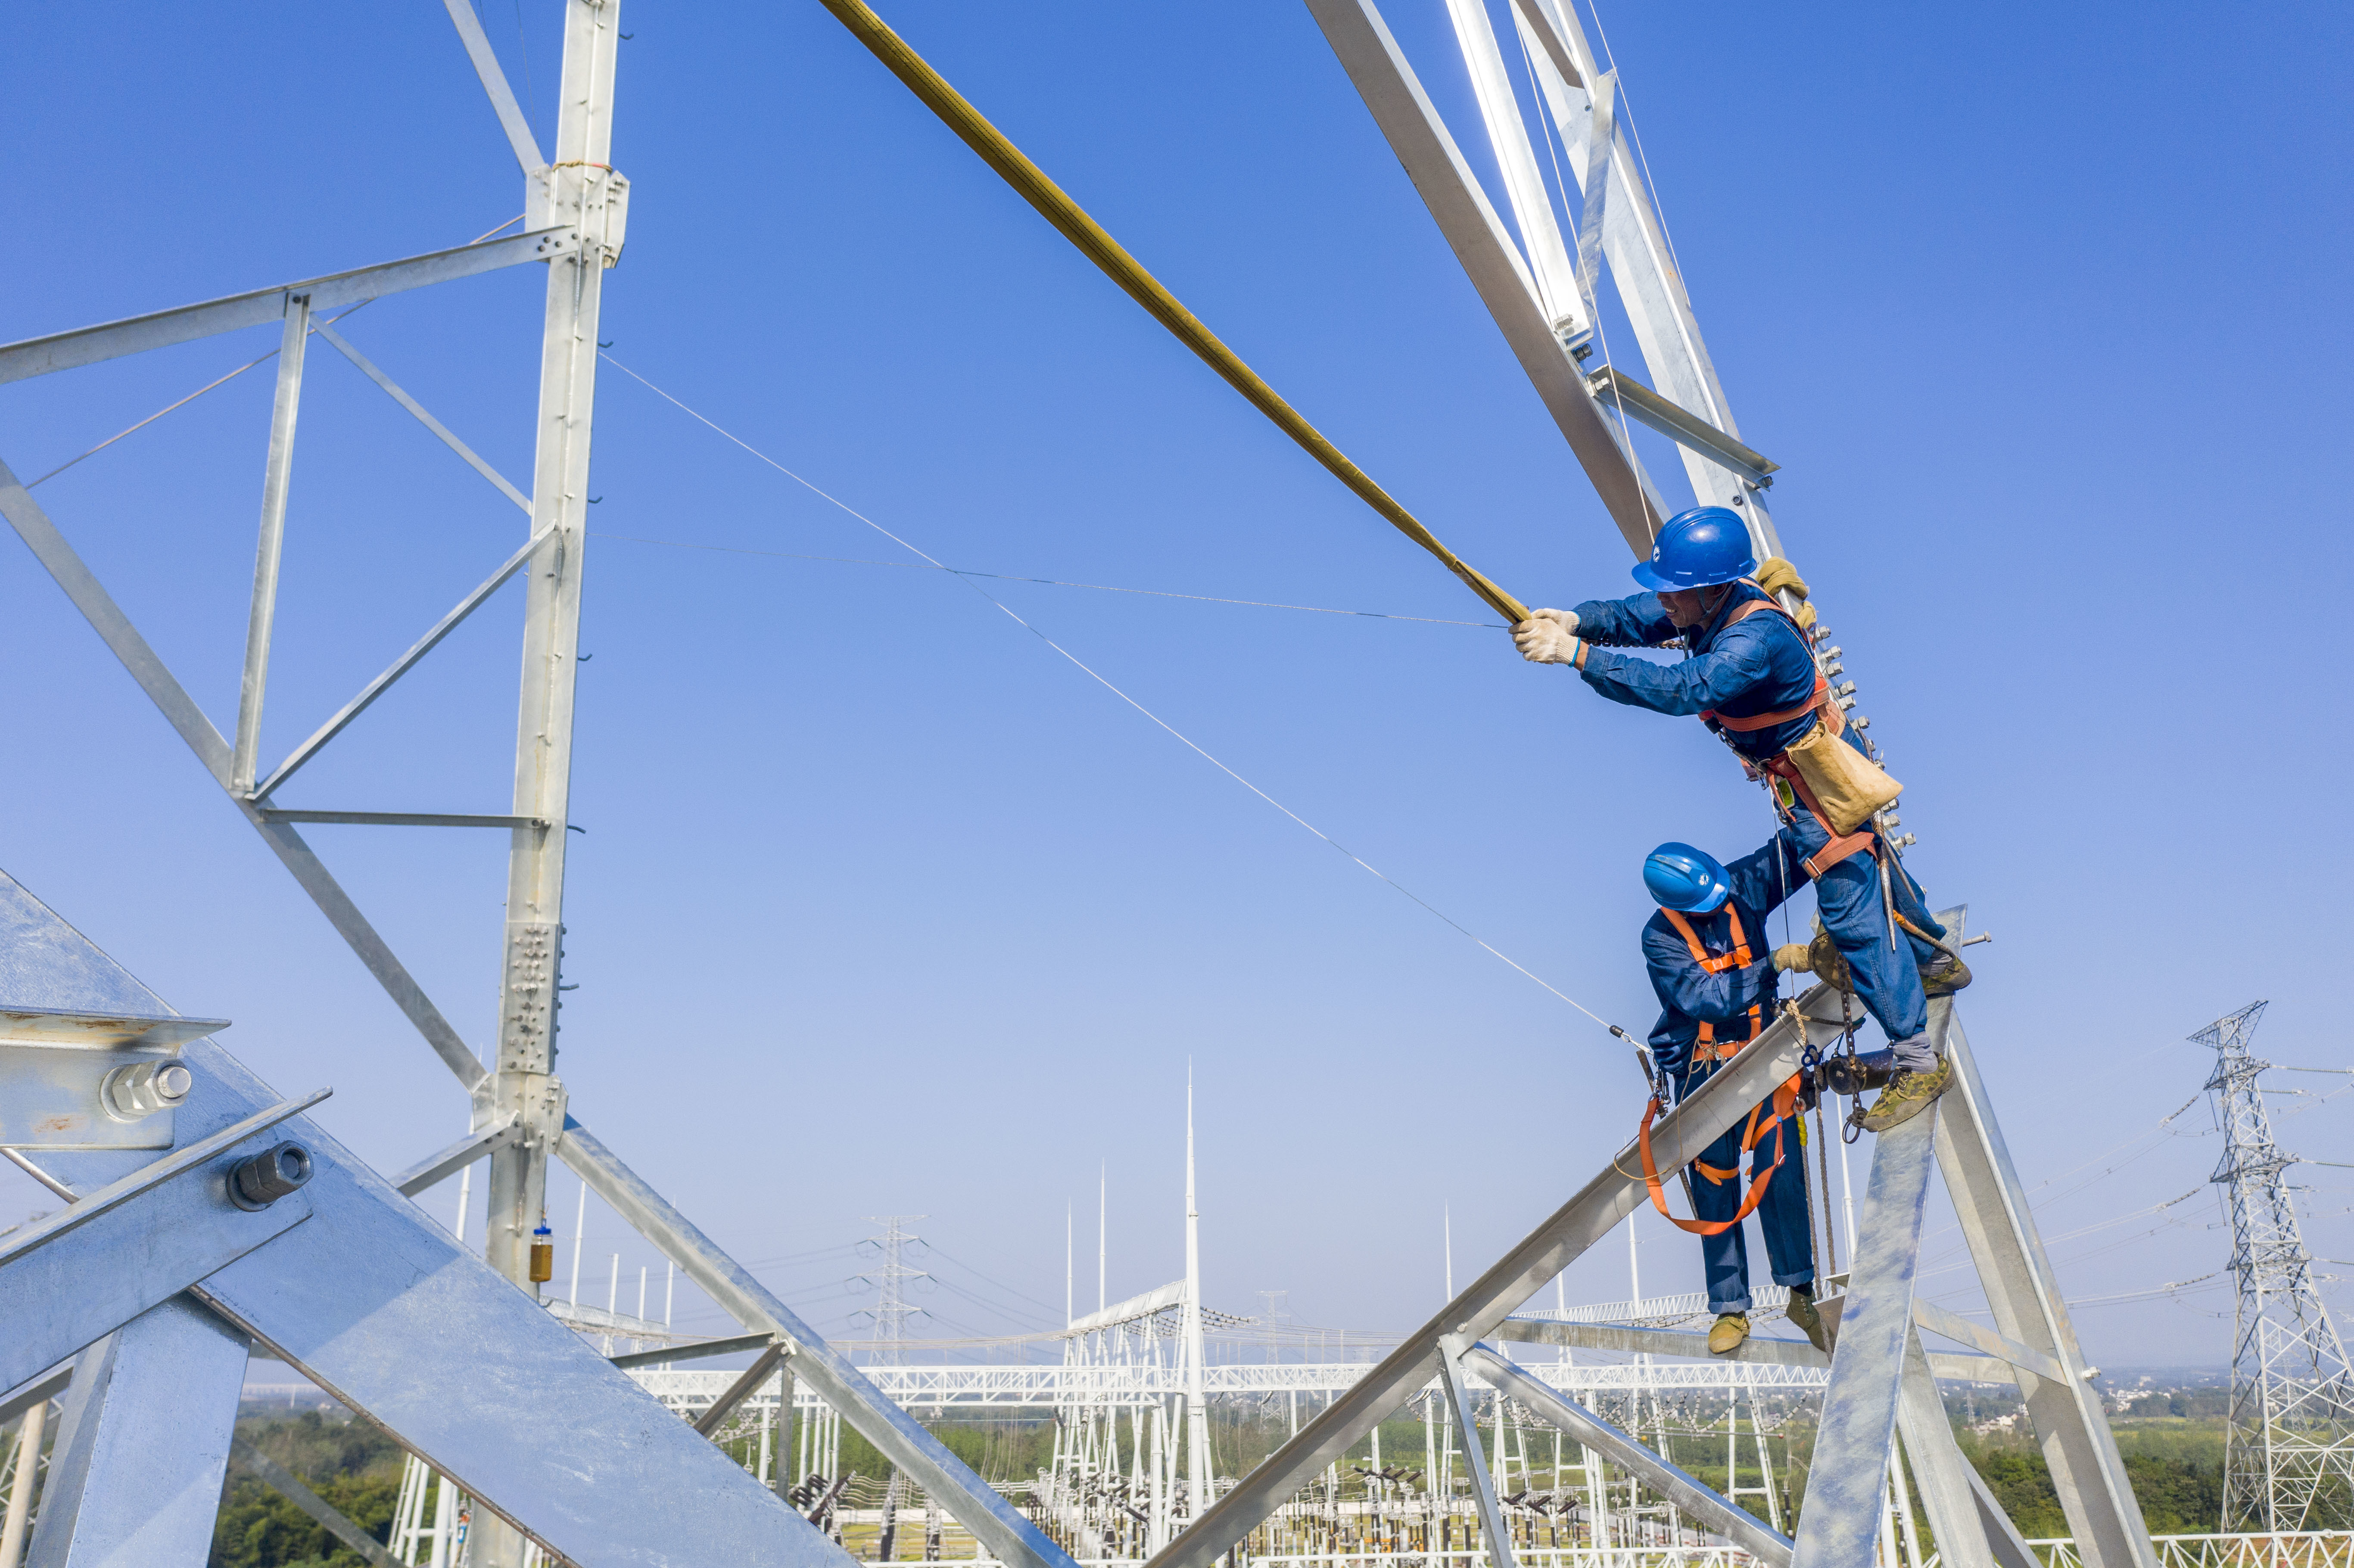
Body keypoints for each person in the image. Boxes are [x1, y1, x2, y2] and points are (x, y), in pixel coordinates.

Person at [1516, 504, 1968, 1130]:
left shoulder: (1755, 638)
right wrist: (1578, 621)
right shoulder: (1703, 602)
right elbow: (1633, 616)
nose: (1666, 603)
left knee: (1851, 909)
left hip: (1818, 781)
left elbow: (1684, 690)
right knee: (1865, 865)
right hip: (1800, 774)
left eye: (1675, 592)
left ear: (1710, 587)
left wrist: (1580, 658)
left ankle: (1919, 1062)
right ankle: (1931, 961)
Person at [1639, 840, 1827, 1356]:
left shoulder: (1736, 885)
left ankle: (1801, 1293)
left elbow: (1792, 856)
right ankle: (1729, 1307)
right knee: (1714, 1185)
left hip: (1766, 1053)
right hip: (1705, 1067)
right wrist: (1774, 964)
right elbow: (1705, 998)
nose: (1721, 909)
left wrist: (1804, 801)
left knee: (1781, 1170)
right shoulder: (1661, 939)